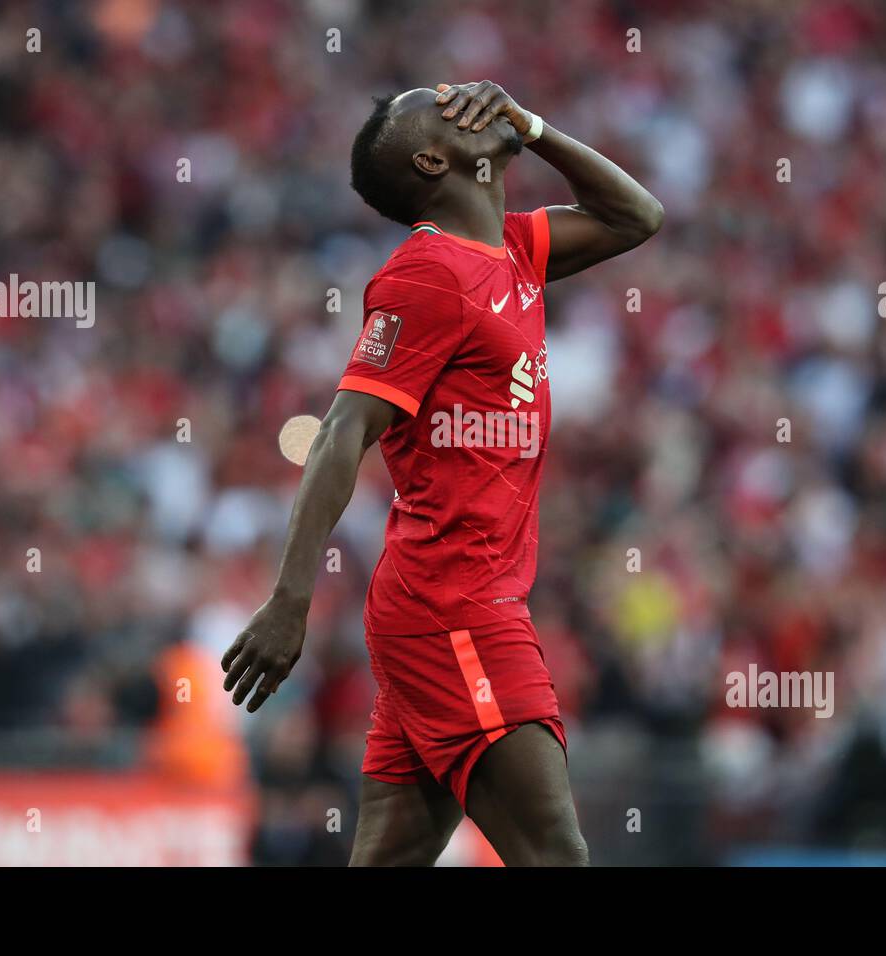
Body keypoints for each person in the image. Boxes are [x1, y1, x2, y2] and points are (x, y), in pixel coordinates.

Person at [222, 81, 663, 865]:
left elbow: (639, 216)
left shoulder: (517, 251)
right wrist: (291, 600)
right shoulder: (426, 276)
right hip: (455, 609)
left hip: (446, 608)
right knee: (557, 855)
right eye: (441, 103)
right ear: (434, 156)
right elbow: (339, 432)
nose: (468, 98)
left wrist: (535, 126)